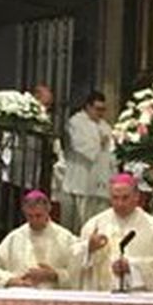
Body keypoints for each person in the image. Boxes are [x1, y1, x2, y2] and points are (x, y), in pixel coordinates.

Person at [76, 173, 153, 292]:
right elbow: (73, 260)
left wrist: (132, 267)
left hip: (139, 298)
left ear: (136, 196)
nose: (120, 203)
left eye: (125, 198)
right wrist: (89, 248)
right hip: (103, 296)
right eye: (115, 198)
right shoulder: (95, 224)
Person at [0, 190, 78, 288]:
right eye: (30, 216)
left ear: (48, 211)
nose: (34, 220)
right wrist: (13, 280)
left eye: (38, 215)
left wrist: (54, 275)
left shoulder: (65, 238)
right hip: (21, 295)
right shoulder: (14, 238)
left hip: (53, 297)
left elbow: (78, 272)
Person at [63, 91, 116, 227]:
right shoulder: (76, 122)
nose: (100, 113)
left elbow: (112, 151)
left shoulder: (105, 126)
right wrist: (99, 142)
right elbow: (79, 145)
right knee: (81, 220)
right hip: (82, 177)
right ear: (88, 107)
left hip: (102, 177)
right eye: (98, 109)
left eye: (103, 110)